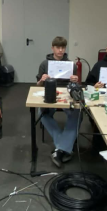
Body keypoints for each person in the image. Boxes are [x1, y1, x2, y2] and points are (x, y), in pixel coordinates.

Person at [36, 36, 81, 167]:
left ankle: (60, 149)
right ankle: (64, 147)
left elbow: (76, 85)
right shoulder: (45, 64)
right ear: (52, 48)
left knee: (77, 113)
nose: (60, 50)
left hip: (67, 93)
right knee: (42, 113)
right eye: (58, 47)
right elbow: (38, 85)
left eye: (63, 47)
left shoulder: (71, 64)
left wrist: (75, 80)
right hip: (50, 93)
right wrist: (42, 80)